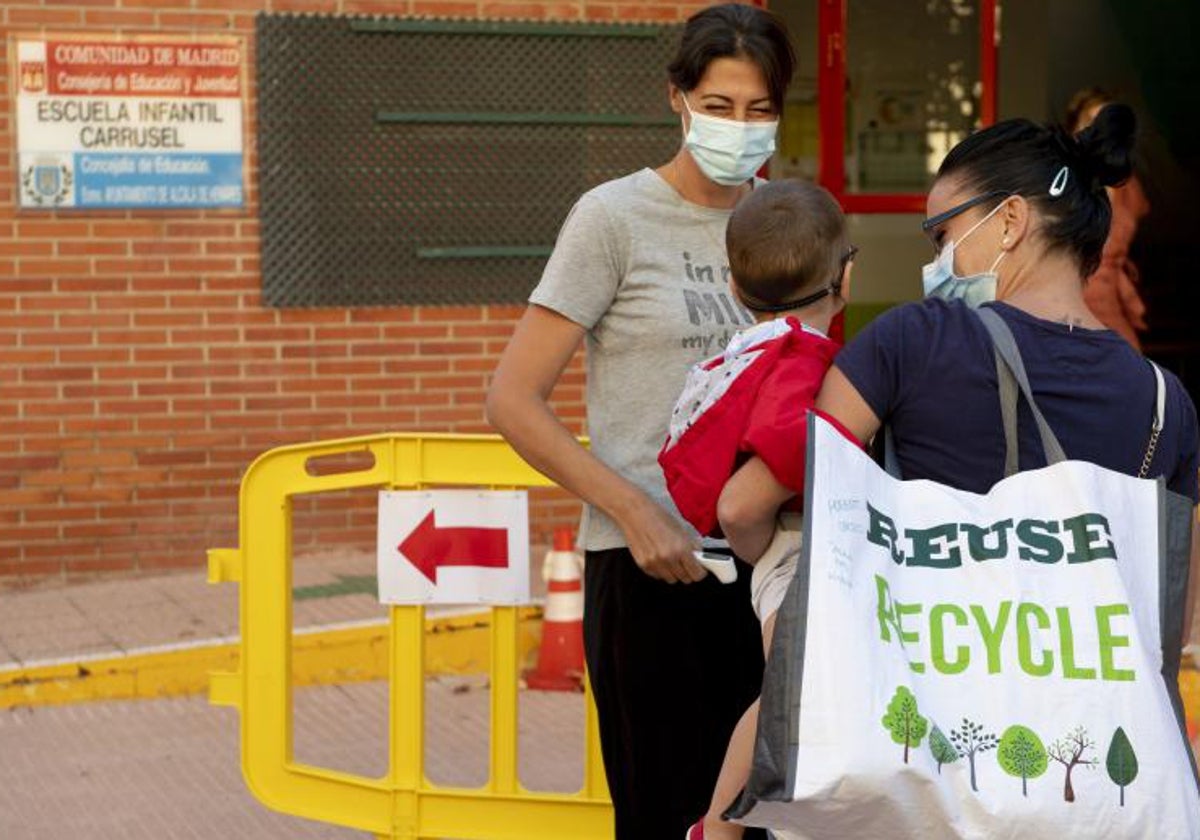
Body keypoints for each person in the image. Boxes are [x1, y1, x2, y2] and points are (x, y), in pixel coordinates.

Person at [484, 5, 795, 837]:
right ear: (678, 99)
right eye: (720, 105)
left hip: (772, 573)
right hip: (650, 572)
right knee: (667, 815)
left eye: (760, 109)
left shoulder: (790, 220)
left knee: (774, 817)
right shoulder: (612, 218)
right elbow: (512, 399)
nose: (740, 126)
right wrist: (633, 511)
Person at [813, 104, 1200, 641]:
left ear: (1011, 220)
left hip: (937, 699)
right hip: (1098, 716)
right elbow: (1176, 622)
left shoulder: (912, 341)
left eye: (944, 235)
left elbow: (821, 510)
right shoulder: (1166, 402)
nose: (938, 260)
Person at [656, 180, 855, 840]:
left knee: (788, 693)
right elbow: (753, 488)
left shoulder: (746, 351)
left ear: (736, 290)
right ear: (845, 278)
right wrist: (763, 546)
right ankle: (716, 830)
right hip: (795, 544)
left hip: (782, 546)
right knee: (787, 697)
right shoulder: (802, 359)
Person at [1065, 87, 1151, 350]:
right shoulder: (1065, 178)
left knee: (1130, 371)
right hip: (1071, 296)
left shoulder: (1128, 184)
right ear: (1075, 128)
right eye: (1092, 122)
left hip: (1111, 296)